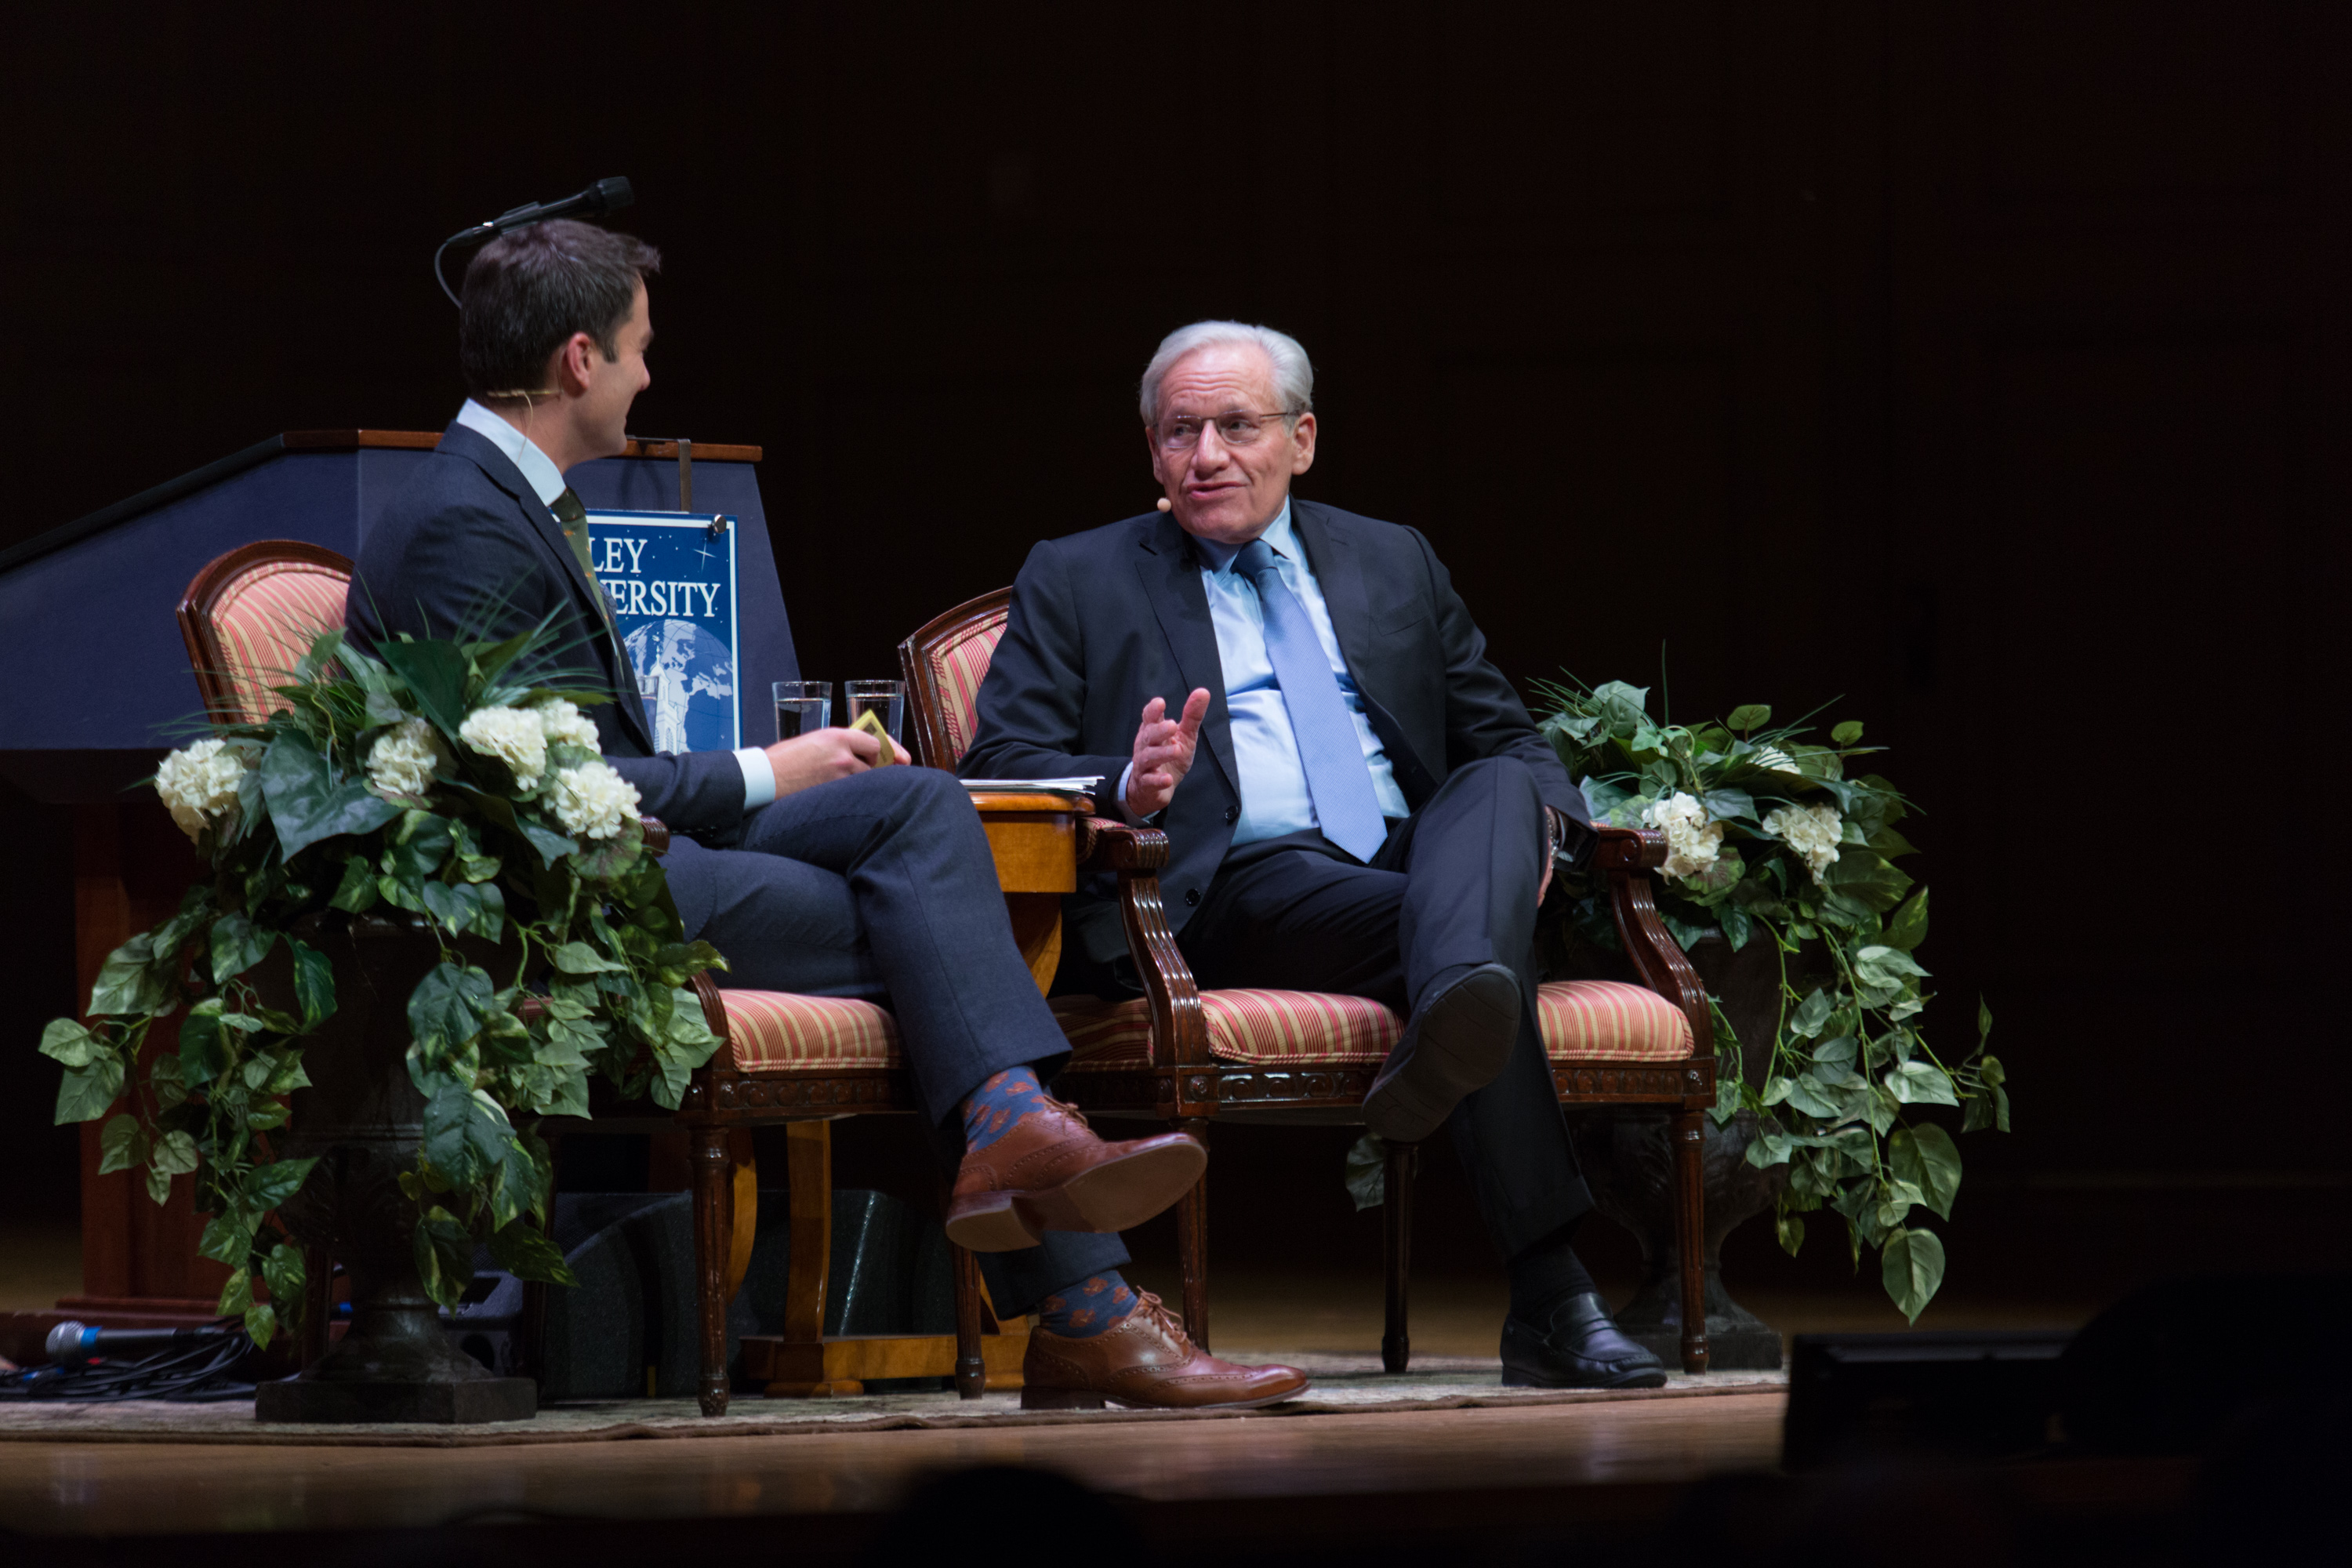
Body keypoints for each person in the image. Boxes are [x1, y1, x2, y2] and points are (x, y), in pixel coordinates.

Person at [346, 223, 1305, 1411]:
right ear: (582, 359)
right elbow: (545, 797)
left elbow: (586, 765)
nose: (653, 375)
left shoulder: (507, 496)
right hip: (567, 896)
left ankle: (1026, 1151)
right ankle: (1087, 1296)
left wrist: (792, 774)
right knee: (939, 943)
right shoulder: (466, 522)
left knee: (912, 806)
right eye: (643, 349)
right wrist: (769, 769)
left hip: (637, 848)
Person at [962, 320, 1668, 1388]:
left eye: (1237, 426)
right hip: (1230, 883)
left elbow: (1507, 738)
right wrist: (1124, 779)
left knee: (1494, 794)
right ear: (1151, 450)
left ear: (1303, 438)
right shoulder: (1078, 575)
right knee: (1476, 953)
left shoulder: (1395, 558)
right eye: (1179, 431)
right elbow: (1000, 759)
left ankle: (1462, 996)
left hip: (1410, 868)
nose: (1207, 456)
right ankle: (1553, 1293)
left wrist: (1538, 834)